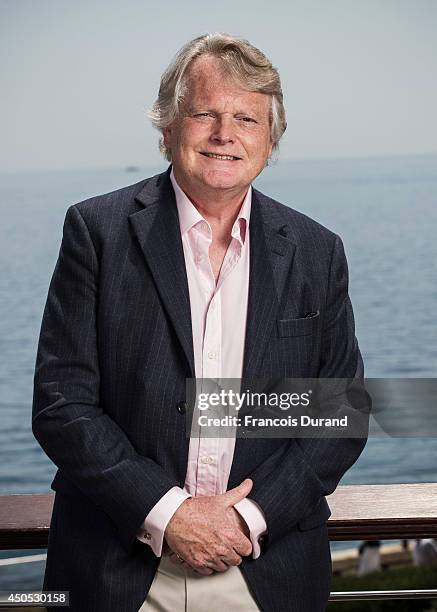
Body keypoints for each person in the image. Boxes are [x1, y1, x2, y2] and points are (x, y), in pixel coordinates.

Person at [32, 33, 368, 612]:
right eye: (204, 113)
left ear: (270, 141)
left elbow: (338, 414)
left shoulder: (318, 251)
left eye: (247, 118)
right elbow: (64, 405)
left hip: (266, 568)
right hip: (119, 568)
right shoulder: (98, 233)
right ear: (166, 130)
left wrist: (248, 519)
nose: (225, 134)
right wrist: (170, 514)